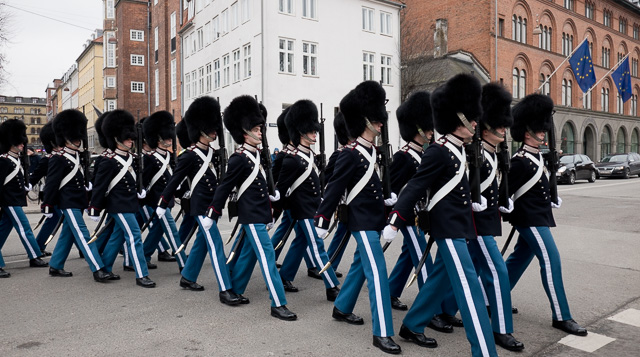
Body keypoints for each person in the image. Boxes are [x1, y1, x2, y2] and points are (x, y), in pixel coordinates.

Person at [385, 73, 497, 356]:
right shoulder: (438, 151)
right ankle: (484, 351)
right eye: (470, 118)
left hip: (460, 227)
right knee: (469, 290)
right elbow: (414, 187)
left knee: (440, 280)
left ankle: (412, 324)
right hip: (447, 231)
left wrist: (474, 201)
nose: (475, 123)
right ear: (456, 119)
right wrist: (396, 221)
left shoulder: (460, 149)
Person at [315, 81, 400, 354]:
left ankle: (341, 307)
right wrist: (322, 219)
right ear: (364, 121)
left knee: (359, 267)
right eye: (376, 120)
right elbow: (334, 188)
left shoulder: (372, 151)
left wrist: (387, 200)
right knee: (377, 272)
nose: (381, 124)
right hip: (360, 221)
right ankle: (382, 332)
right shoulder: (350, 154)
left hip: (372, 218)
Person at [207, 95, 296, 321]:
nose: (260, 133)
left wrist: (272, 197)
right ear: (245, 132)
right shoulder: (239, 158)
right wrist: (213, 213)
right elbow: (224, 187)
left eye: (260, 129)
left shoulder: (256, 155)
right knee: (267, 260)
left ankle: (235, 289)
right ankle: (278, 303)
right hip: (251, 216)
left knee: (248, 255)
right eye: (257, 129)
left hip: (259, 214)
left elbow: (260, 185)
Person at [504, 93, 588, 336]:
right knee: (551, 260)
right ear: (527, 132)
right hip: (529, 220)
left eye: (543, 129)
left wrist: (551, 198)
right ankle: (561, 316)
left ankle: (493, 298)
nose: (543, 132)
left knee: (518, 259)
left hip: (538, 217)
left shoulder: (537, 156)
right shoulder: (520, 160)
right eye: (539, 130)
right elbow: (505, 191)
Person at [157, 96, 242, 306]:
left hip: (211, 206)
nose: (215, 131)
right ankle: (225, 289)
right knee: (215, 246)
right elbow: (174, 181)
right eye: (211, 129)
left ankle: (188, 277)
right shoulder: (188, 156)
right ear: (200, 130)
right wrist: (162, 202)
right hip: (200, 207)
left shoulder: (212, 153)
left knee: (202, 245)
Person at [467, 83, 524, 351]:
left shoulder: (495, 153)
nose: (504, 129)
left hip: (487, 221)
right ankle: (501, 328)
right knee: (497, 270)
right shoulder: (472, 152)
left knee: (446, 274)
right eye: (499, 125)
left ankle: (425, 315)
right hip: (474, 223)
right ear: (486, 125)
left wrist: (504, 200)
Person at [276, 99, 340, 300]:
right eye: (311, 130)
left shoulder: (308, 155)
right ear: (300, 131)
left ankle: (285, 275)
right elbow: (279, 190)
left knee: (300, 242)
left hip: (313, 207)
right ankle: (332, 287)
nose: (315, 133)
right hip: (302, 210)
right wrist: (272, 213)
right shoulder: (291, 159)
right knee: (318, 247)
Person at [42, 109, 114, 281]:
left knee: (67, 234)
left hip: (78, 200)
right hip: (67, 202)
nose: (78, 140)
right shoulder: (58, 158)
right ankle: (98, 268)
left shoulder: (78, 156)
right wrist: (47, 204)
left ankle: (56, 265)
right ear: (65, 137)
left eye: (78, 137)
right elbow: (51, 184)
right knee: (83, 234)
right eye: (74, 138)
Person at [88, 110, 155, 288]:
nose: (131, 141)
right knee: (134, 236)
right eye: (128, 139)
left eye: (132, 138)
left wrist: (140, 190)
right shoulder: (108, 160)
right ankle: (141, 274)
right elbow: (99, 185)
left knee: (117, 237)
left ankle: (105, 268)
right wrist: (94, 207)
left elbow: (137, 179)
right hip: (118, 205)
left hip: (130, 203)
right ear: (117, 138)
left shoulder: (132, 158)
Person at [0, 119, 49, 277]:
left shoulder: (14, 159)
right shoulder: (4, 160)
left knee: (2, 231)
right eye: (19, 141)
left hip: (14, 199)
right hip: (9, 200)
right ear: (11, 142)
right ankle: (34, 255)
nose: (22, 144)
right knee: (25, 227)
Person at [140, 111, 187, 272]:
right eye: (166, 137)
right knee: (172, 231)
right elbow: (144, 180)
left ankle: (144, 256)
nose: (169, 139)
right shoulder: (149, 158)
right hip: (155, 200)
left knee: (157, 231)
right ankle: (184, 263)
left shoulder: (169, 155)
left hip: (167, 200)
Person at [30, 122, 61, 255]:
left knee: (52, 221)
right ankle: (85, 250)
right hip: (53, 195)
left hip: (62, 194)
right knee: (69, 223)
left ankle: (38, 246)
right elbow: (35, 177)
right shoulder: (47, 159)